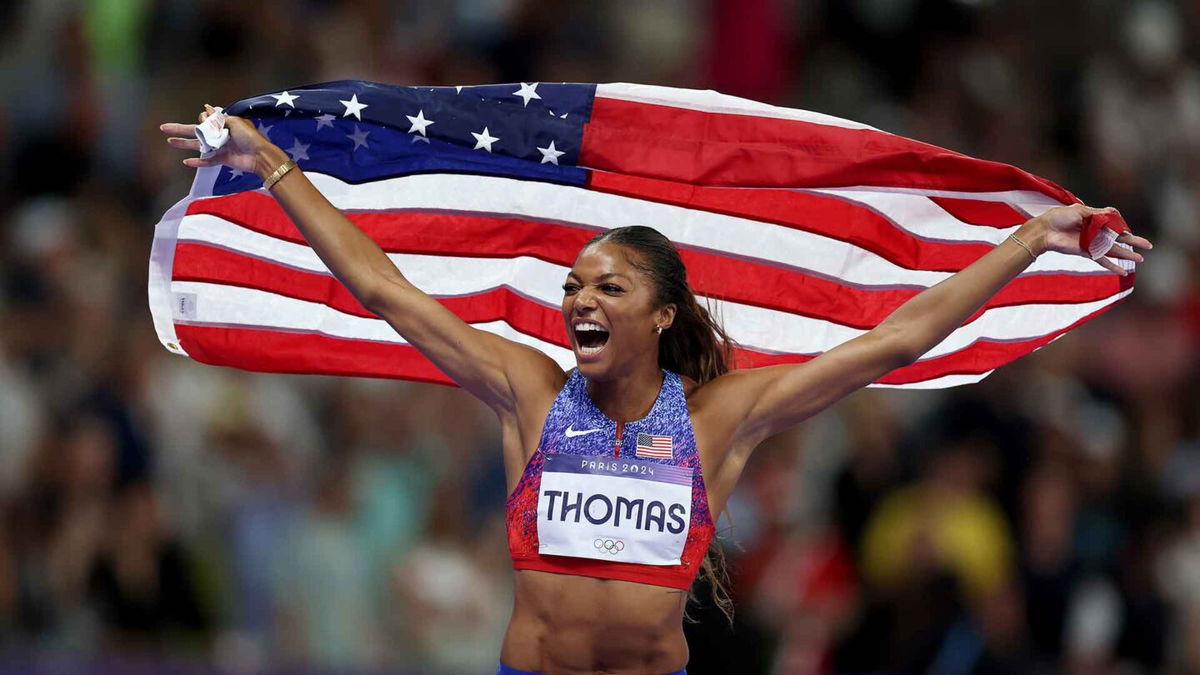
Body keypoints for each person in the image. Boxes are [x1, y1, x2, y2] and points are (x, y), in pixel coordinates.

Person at [160, 106, 1150, 675]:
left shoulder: (724, 416)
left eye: (607, 286)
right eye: (573, 285)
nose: (577, 298)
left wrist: (1027, 241)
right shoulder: (527, 392)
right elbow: (381, 288)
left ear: (662, 314)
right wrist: (279, 166)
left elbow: (897, 337)